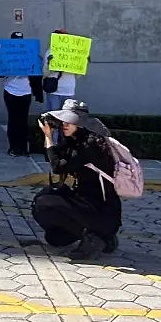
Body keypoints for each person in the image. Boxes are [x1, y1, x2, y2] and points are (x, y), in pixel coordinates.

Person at [32, 100, 122, 259]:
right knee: (55, 238)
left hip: (100, 209)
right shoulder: (75, 139)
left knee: (44, 204)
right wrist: (50, 132)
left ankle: (99, 237)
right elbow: (53, 156)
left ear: (80, 123)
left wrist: (49, 137)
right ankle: (99, 236)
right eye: (63, 121)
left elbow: (58, 167)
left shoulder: (89, 144)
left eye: (70, 121)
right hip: (84, 202)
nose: (65, 124)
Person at [2, 31, 35, 157]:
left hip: (26, 91)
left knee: (23, 120)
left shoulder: (29, 53)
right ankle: (13, 147)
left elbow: (35, 72)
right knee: (13, 120)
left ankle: (23, 147)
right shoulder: (5, 54)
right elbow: (1, 74)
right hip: (10, 90)